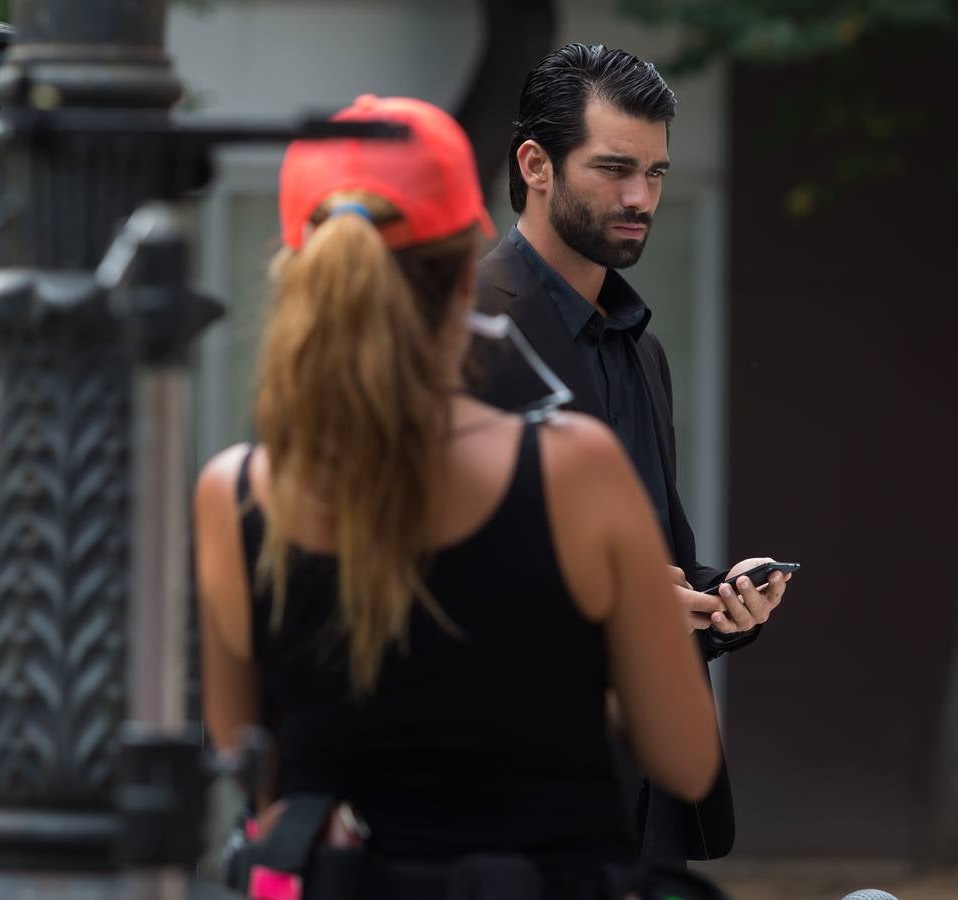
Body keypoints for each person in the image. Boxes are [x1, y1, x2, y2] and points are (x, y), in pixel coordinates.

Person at [193, 93, 721, 898]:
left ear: (301, 266)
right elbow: (683, 757)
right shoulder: (573, 468)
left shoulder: (230, 493)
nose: (638, 193)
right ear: (468, 254)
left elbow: (254, 768)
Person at [469, 43, 796, 866]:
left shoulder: (639, 347)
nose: (639, 197)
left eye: (653, 173)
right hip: (520, 802)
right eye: (614, 169)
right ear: (535, 164)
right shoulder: (464, 331)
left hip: (649, 806)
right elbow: (430, 580)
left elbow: (649, 564)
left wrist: (717, 606)